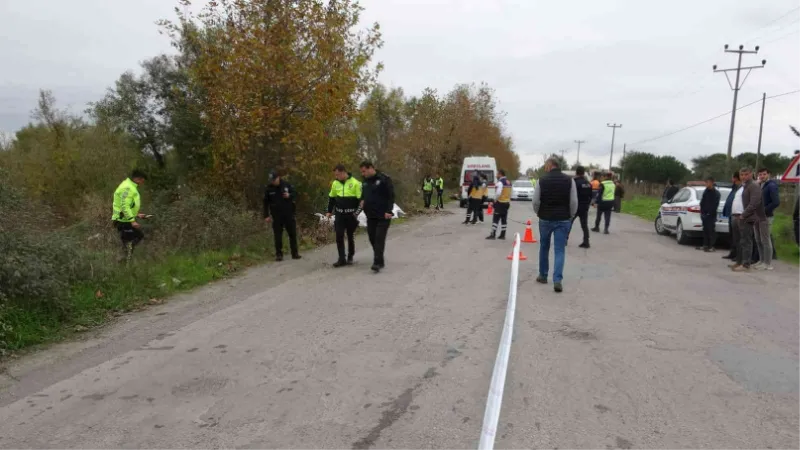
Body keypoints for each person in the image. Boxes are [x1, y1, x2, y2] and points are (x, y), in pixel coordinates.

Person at [532, 158, 578, 293]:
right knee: (559, 250)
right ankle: (557, 280)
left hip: (545, 218)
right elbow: (574, 201)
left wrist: (538, 212)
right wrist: (571, 215)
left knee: (544, 247)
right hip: (563, 219)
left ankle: (543, 275)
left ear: (550, 165)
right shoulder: (570, 180)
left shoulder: (542, 180)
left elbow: (535, 201)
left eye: (546, 165)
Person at [359, 161, 395, 273]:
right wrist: (362, 201)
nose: (363, 174)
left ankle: (377, 262)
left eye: (364, 171)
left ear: (371, 168)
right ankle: (380, 259)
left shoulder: (384, 179)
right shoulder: (365, 182)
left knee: (379, 238)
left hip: (383, 215)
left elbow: (391, 196)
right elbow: (363, 195)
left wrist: (389, 211)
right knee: (372, 238)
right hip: (370, 215)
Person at [327, 164, 362, 267]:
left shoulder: (355, 183)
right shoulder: (335, 183)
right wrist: (329, 211)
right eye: (335, 175)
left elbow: (361, 201)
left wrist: (357, 213)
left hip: (351, 214)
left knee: (350, 235)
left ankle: (350, 256)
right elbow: (332, 198)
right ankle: (341, 258)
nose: (336, 177)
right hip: (339, 214)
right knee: (339, 235)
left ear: (343, 172)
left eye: (338, 175)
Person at [732, 167, 766, 272]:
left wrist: (744, 214)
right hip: (741, 216)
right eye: (742, 175)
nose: (743, 177)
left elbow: (754, 203)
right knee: (742, 240)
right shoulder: (745, 185)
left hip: (748, 217)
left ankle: (746, 264)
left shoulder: (754, 186)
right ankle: (740, 262)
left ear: (751, 174)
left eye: (746, 174)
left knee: (747, 241)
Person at [112, 169, 149, 263]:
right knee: (133, 240)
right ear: (137, 179)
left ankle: (124, 261)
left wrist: (137, 214)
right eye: (142, 181)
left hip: (125, 219)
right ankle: (124, 263)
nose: (142, 183)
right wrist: (132, 221)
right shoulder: (128, 188)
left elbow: (128, 205)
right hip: (123, 220)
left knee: (132, 240)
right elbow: (124, 206)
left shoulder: (130, 186)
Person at [263, 170, 301, 262]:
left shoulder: (286, 185)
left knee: (292, 234)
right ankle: (279, 254)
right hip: (276, 215)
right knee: (278, 235)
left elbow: (295, 194)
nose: (272, 181)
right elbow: (265, 203)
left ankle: (295, 253)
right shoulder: (269, 189)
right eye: (271, 180)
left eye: (274, 179)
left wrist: (289, 195)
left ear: (278, 178)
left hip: (288, 213)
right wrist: (266, 215)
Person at [757, 167, 780, 261]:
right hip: (757, 216)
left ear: (768, 174)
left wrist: (764, 210)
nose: (762, 176)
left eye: (764, 174)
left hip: (766, 216)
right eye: (760, 174)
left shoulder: (771, 186)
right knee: (758, 240)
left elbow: (776, 202)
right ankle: (761, 261)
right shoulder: (761, 185)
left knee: (765, 240)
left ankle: (767, 263)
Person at [569, 166, 592, 248]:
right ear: (583, 173)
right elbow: (591, 196)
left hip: (575, 207)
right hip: (584, 207)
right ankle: (586, 242)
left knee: (568, 223)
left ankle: (564, 240)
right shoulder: (588, 183)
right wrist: (587, 205)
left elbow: (571, 194)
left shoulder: (574, 182)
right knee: (584, 225)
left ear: (576, 173)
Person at [486, 169, 512, 240]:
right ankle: (502, 235)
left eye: (497, 174)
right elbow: (510, 193)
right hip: (506, 203)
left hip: (500, 203)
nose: (496, 175)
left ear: (500, 174)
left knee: (495, 219)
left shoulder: (500, 183)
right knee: (504, 219)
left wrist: (494, 200)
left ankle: (493, 234)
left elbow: (498, 193)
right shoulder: (509, 182)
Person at [721, 171, 742, 260]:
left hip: (737, 215)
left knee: (738, 236)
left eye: (732, 177)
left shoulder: (740, 187)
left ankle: (738, 255)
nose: (731, 179)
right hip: (731, 214)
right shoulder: (734, 187)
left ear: (735, 178)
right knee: (732, 236)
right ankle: (732, 253)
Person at [697, 176, 721, 252]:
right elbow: (702, 202)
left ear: (712, 182)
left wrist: (709, 213)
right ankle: (705, 245)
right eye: (705, 182)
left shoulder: (716, 193)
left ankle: (711, 246)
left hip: (711, 215)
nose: (706, 184)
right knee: (705, 230)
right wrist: (702, 212)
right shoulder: (706, 191)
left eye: (707, 182)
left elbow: (715, 205)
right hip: (704, 214)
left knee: (711, 230)